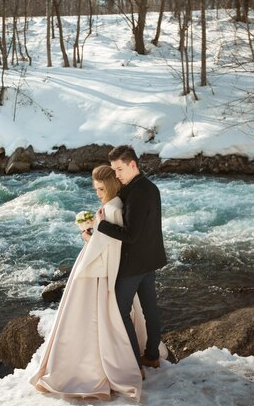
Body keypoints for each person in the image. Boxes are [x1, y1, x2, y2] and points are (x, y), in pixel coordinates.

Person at [30, 165, 145, 401]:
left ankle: (90, 369)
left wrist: (88, 236)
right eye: (95, 189)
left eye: (101, 188)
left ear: (111, 186)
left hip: (98, 271)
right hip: (98, 263)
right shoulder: (113, 204)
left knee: (88, 316)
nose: (98, 193)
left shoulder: (113, 208)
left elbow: (110, 247)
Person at [96, 145, 167, 374]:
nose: (116, 175)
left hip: (134, 264)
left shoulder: (136, 193)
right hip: (151, 260)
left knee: (120, 310)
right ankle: (152, 356)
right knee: (150, 310)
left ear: (132, 164)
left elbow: (131, 235)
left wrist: (101, 225)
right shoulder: (149, 187)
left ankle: (134, 364)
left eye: (119, 169)